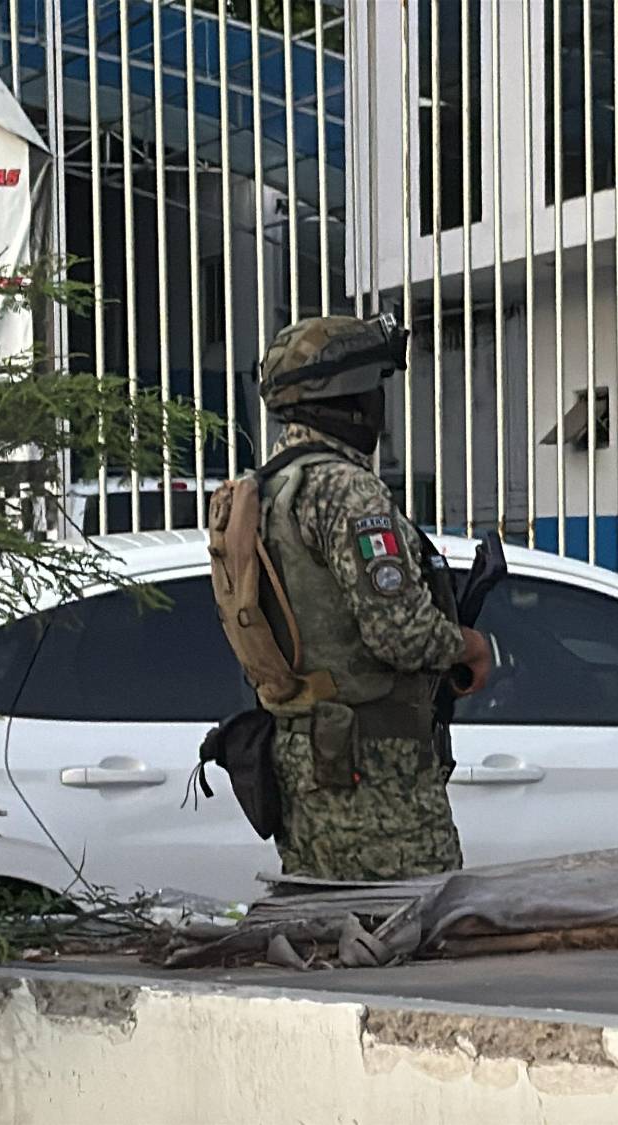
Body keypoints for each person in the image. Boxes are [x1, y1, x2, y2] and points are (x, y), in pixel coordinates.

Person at [238, 313, 491, 882]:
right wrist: (471, 646)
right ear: (351, 401)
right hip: (373, 768)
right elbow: (400, 634)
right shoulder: (345, 490)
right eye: (376, 388)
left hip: (305, 752)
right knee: (411, 931)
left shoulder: (272, 486)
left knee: (331, 938)